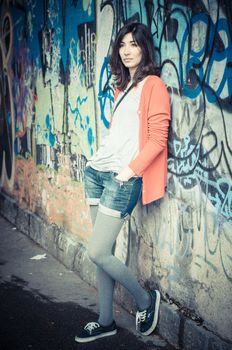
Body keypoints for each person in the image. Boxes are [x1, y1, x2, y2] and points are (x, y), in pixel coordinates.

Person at [75, 22, 170, 343]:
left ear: (145, 49)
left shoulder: (154, 85)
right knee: (107, 251)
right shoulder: (123, 88)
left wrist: (128, 172)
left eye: (134, 44)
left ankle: (145, 301)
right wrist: (94, 163)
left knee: (97, 251)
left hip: (122, 179)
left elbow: (157, 139)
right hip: (97, 174)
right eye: (122, 45)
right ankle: (105, 321)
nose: (127, 50)